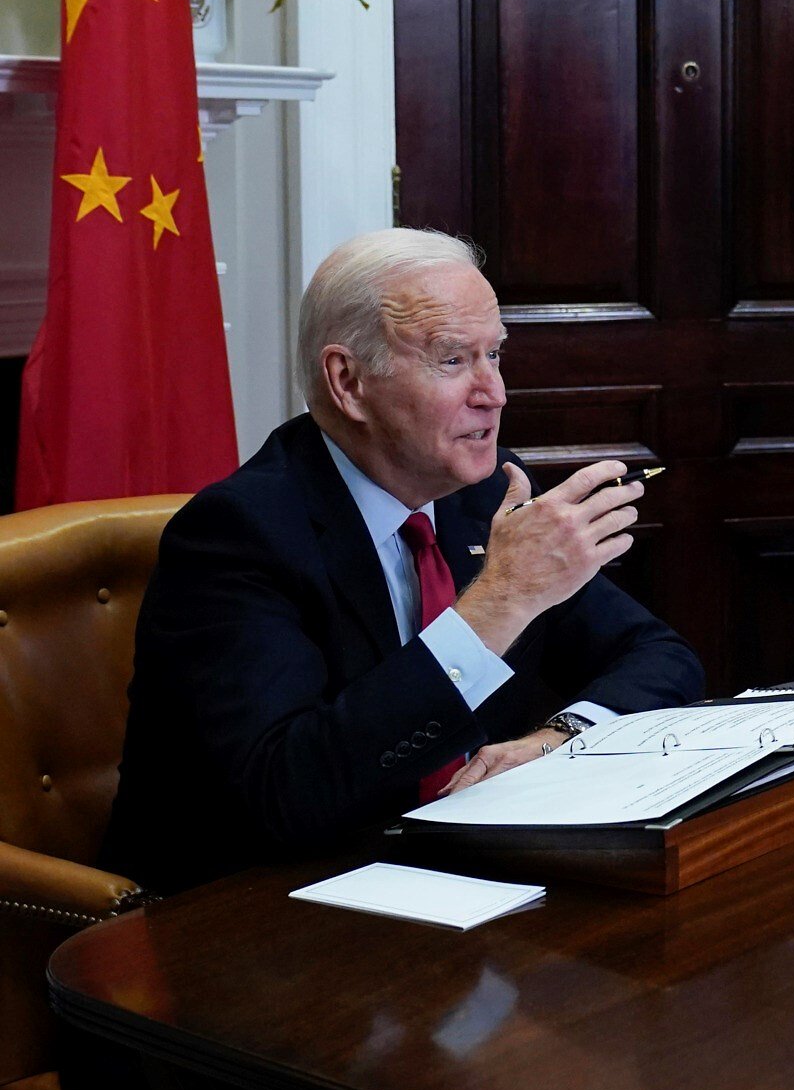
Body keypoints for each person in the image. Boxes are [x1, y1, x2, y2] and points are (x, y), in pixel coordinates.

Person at [100, 229, 705, 893]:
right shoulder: (237, 534)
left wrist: (557, 737)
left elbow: (661, 656)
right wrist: (497, 605)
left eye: (494, 355)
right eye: (453, 360)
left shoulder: (485, 493)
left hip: (456, 884)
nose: (494, 392)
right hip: (258, 915)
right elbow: (285, 796)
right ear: (349, 381)